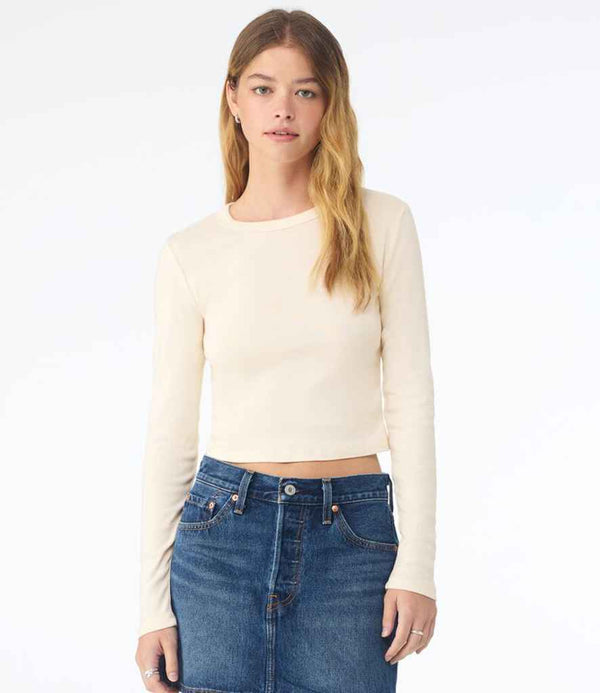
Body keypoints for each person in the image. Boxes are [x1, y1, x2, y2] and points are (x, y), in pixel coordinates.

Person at [135, 9, 437, 693]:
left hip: (352, 539)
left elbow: (412, 401)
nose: (283, 109)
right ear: (233, 98)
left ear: (330, 104)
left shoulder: (381, 224)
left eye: (306, 90)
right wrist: (152, 607)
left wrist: (417, 564)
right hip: (221, 538)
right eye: (264, 88)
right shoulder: (191, 253)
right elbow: (170, 434)